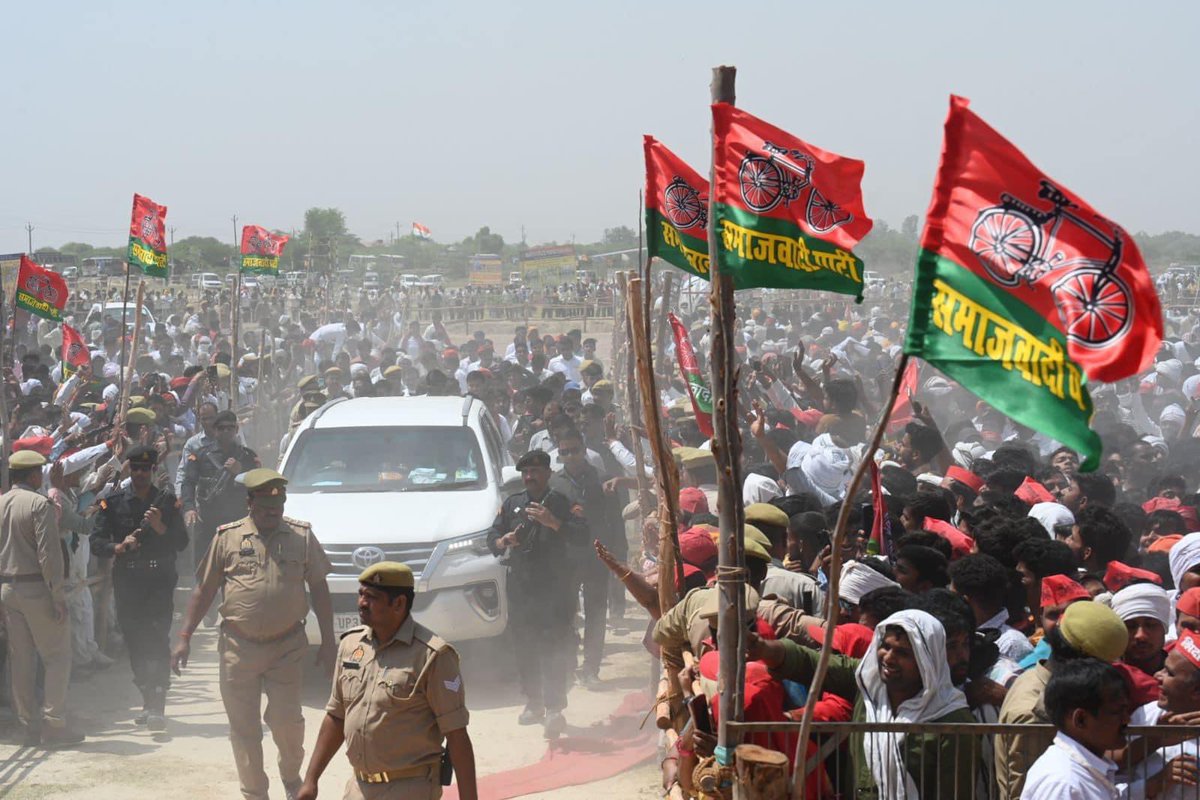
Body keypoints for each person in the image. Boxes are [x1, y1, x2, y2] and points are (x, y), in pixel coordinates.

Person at [171, 468, 335, 800]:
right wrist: (185, 635)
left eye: (278, 508)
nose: (273, 515)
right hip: (238, 648)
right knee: (244, 729)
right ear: (250, 503)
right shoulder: (227, 538)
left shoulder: (302, 537)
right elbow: (204, 590)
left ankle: (291, 778)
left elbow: (319, 588)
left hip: (287, 647)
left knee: (287, 722)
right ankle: (254, 792)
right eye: (265, 509)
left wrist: (330, 641)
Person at [297, 562, 478, 800]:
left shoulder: (432, 656)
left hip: (409, 789)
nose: (362, 603)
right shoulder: (351, 645)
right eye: (361, 594)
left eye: (372, 597)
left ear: (399, 603)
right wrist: (311, 780)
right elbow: (337, 715)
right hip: (358, 788)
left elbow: (457, 736)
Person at [486, 449, 587, 738]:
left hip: (554, 588)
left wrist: (553, 522)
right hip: (521, 588)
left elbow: (582, 534)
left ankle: (555, 707)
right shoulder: (512, 504)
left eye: (535, 472)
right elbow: (491, 538)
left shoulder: (562, 502)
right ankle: (534, 702)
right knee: (525, 647)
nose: (529, 477)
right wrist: (504, 540)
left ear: (548, 473)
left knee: (553, 647)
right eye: (525, 473)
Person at [91, 444, 188, 729]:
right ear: (129, 470)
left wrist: (160, 527)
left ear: (154, 470)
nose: (141, 474)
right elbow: (97, 541)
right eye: (136, 468)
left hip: (158, 581)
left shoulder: (167, 502)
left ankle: (158, 701)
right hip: (128, 581)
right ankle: (147, 696)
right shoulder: (114, 500)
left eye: (146, 468)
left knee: (157, 639)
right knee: (134, 640)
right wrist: (117, 547)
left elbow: (182, 543)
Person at [0, 450, 84, 746]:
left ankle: (28, 725)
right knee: (57, 656)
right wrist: (57, 595)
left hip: (8, 588)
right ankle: (54, 724)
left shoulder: (0, 504)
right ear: (34, 475)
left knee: (20, 661)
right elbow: (49, 555)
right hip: (37, 588)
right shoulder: (39, 504)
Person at [549, 426, 621, 688]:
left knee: (596, 614)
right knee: (566, 614)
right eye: (564, 452)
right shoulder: (554, 483)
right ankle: (568, 665)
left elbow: (615, 521)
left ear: (583, 449)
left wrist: (616, 557)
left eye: (574, 451)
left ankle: (591, 669)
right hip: (565, 559)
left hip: (596, 557)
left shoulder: (603, 479)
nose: (570, 457)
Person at [1021, 658, 1130, 799]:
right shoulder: (1064, 784)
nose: (1127, 719)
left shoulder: (1080, 774)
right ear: (1080, 719)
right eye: (1117, 712)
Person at [180, 409, 260, 572]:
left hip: (239, 521)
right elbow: (188, 482)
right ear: (215, 430)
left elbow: (258, 484)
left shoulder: (247, 457)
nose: (226, 431)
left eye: (230, 428)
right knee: (204, 568)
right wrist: (189, 508)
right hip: (208, 519)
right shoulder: (201, 455)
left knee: (241, 567)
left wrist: (242, 472)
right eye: (221, 428)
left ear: (236, 430)